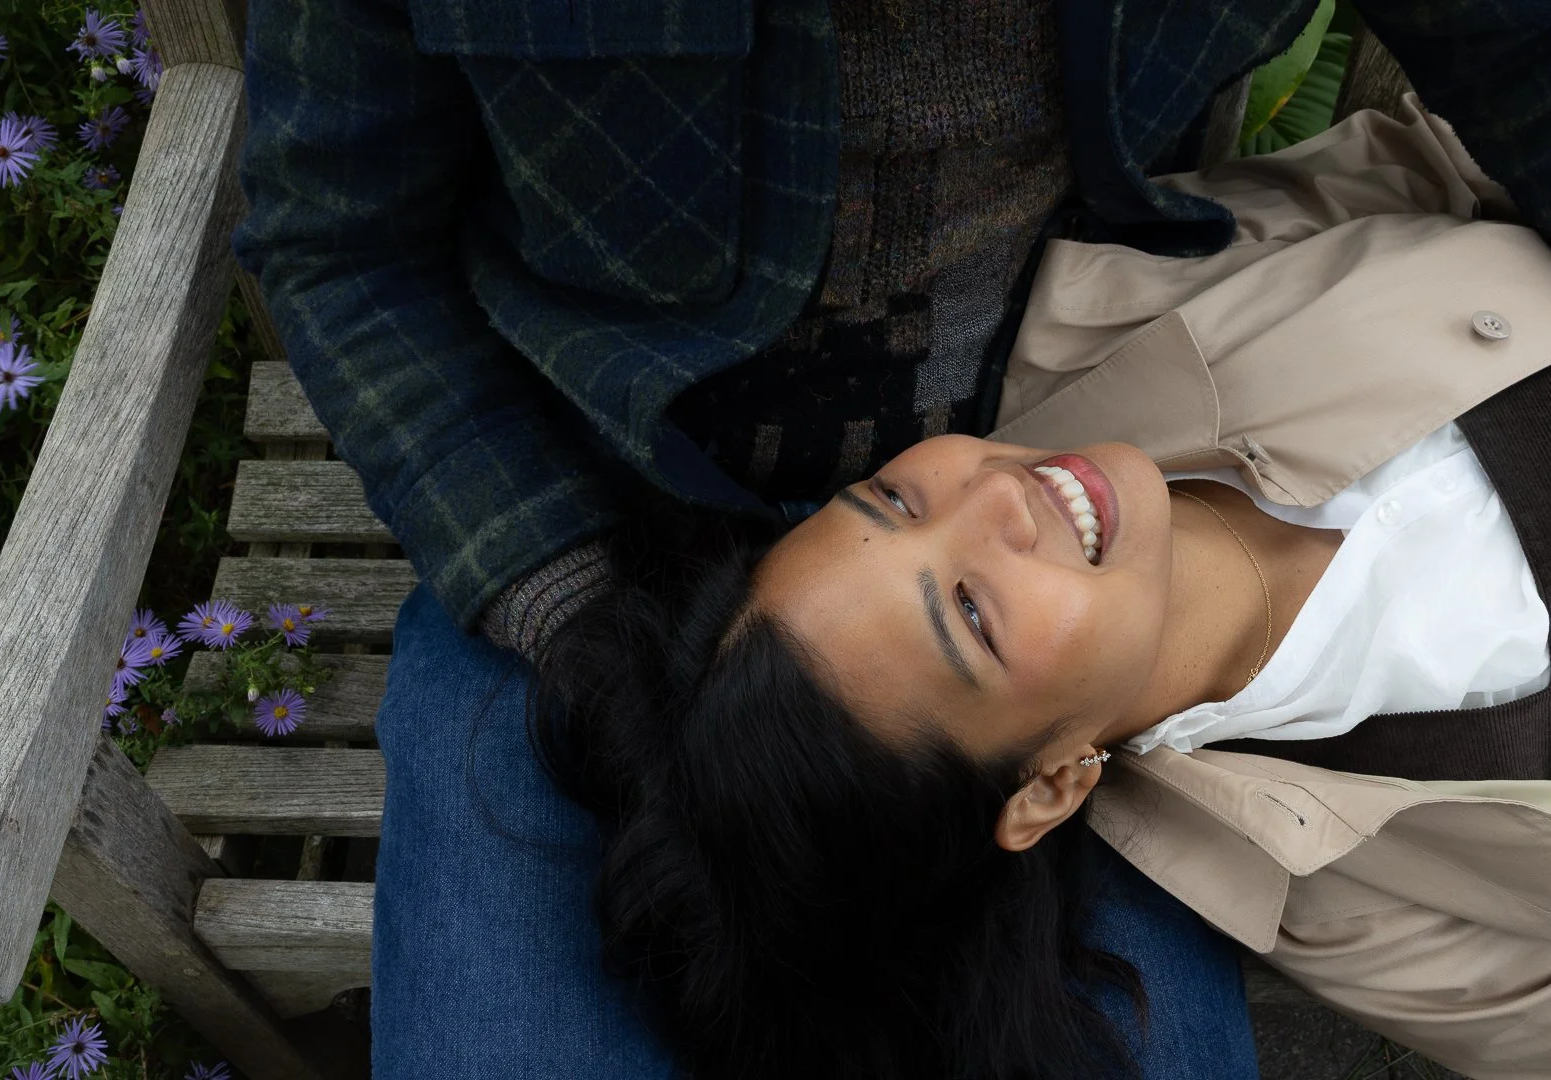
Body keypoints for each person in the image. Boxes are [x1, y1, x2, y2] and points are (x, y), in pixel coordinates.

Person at [231, 0, 1551, 1074]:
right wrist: (576, 615)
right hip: (583, 511)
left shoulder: (1062, 548)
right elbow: (342, 252)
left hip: (1061, 467)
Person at [530, 100, 1551, 1080]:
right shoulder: (1344, 904)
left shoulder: (1108, 307)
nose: (996, 497)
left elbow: (1449, 150)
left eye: (891, 499)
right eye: (969, 614)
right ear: (1053, 784)